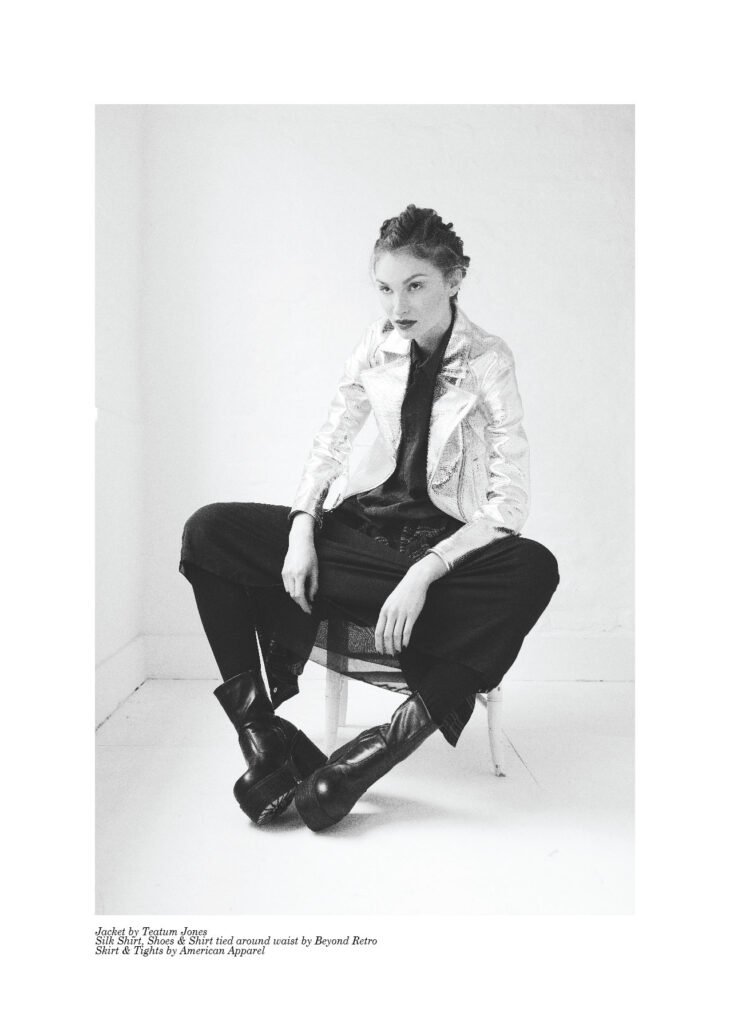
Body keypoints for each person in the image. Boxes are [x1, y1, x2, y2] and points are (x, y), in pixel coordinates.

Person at [179, 204, 559, 832]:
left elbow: (508, 503)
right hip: (359, 544)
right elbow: (330, 446)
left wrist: (425, 573)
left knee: (534, 566)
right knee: (209, 529)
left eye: (415, 286)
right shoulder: (375, 347)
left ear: (454, 279)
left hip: (433, 567)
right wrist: (302, 528)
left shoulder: (489, 360)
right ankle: (264, 738)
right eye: (385, 288)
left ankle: (367, 758)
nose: (397, 305)